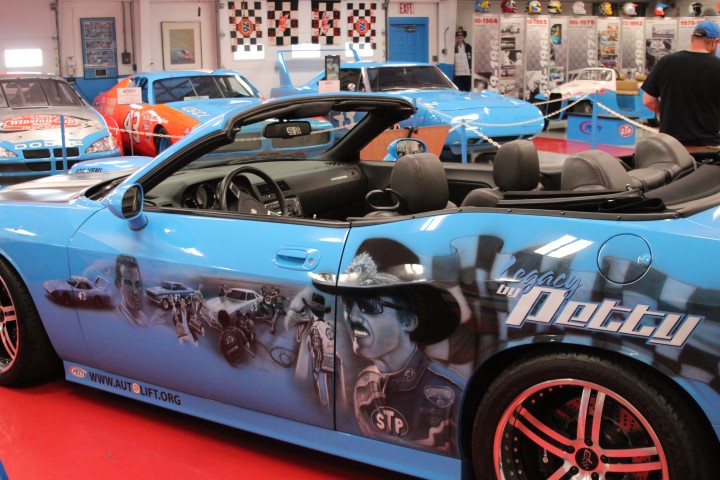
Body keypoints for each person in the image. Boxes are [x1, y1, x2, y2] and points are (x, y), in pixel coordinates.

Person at [312, 239, 466, 455]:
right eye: (348, 304)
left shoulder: (452, 395)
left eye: (369, 305)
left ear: (408, 321)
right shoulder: (364, 386)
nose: (353, 317)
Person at [642, 21, 720, 147]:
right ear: (714, 41)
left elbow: (648, 101)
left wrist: (672, 113)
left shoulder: (666, 62)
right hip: (707, 145)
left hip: (670, 145)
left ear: (692, 37)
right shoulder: (717, 66)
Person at [115, 254, 148, 326]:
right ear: (119, 285)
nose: (135, 291)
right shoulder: (117, 319)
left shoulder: (145, 319)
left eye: (137, 284)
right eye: (129, 284)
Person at [453, 27, 472, 92]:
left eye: (461, 35)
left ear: (464, 36)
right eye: (458, 35)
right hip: (458, 72)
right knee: (459, 89)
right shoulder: (454, 47)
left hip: (466, 71)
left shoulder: (468, 47)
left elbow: (471, 58)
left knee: (467, 88)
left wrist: (470, 67)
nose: (460, 37)